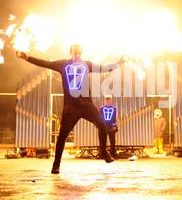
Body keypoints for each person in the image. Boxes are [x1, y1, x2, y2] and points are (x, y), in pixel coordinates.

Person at [16, 45, 125, 174]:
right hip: (71, 108)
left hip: (87, 105)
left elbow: (104, 68)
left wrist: (118, 63)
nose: (77, 56)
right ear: (70, 53)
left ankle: (104, 153)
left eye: (79, 53)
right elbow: (45, 63)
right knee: (62, 137)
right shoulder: (62, 65)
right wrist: (27, 57)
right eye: (75, 53)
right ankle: (56, 165)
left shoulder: (87, 65)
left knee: (102, 125)